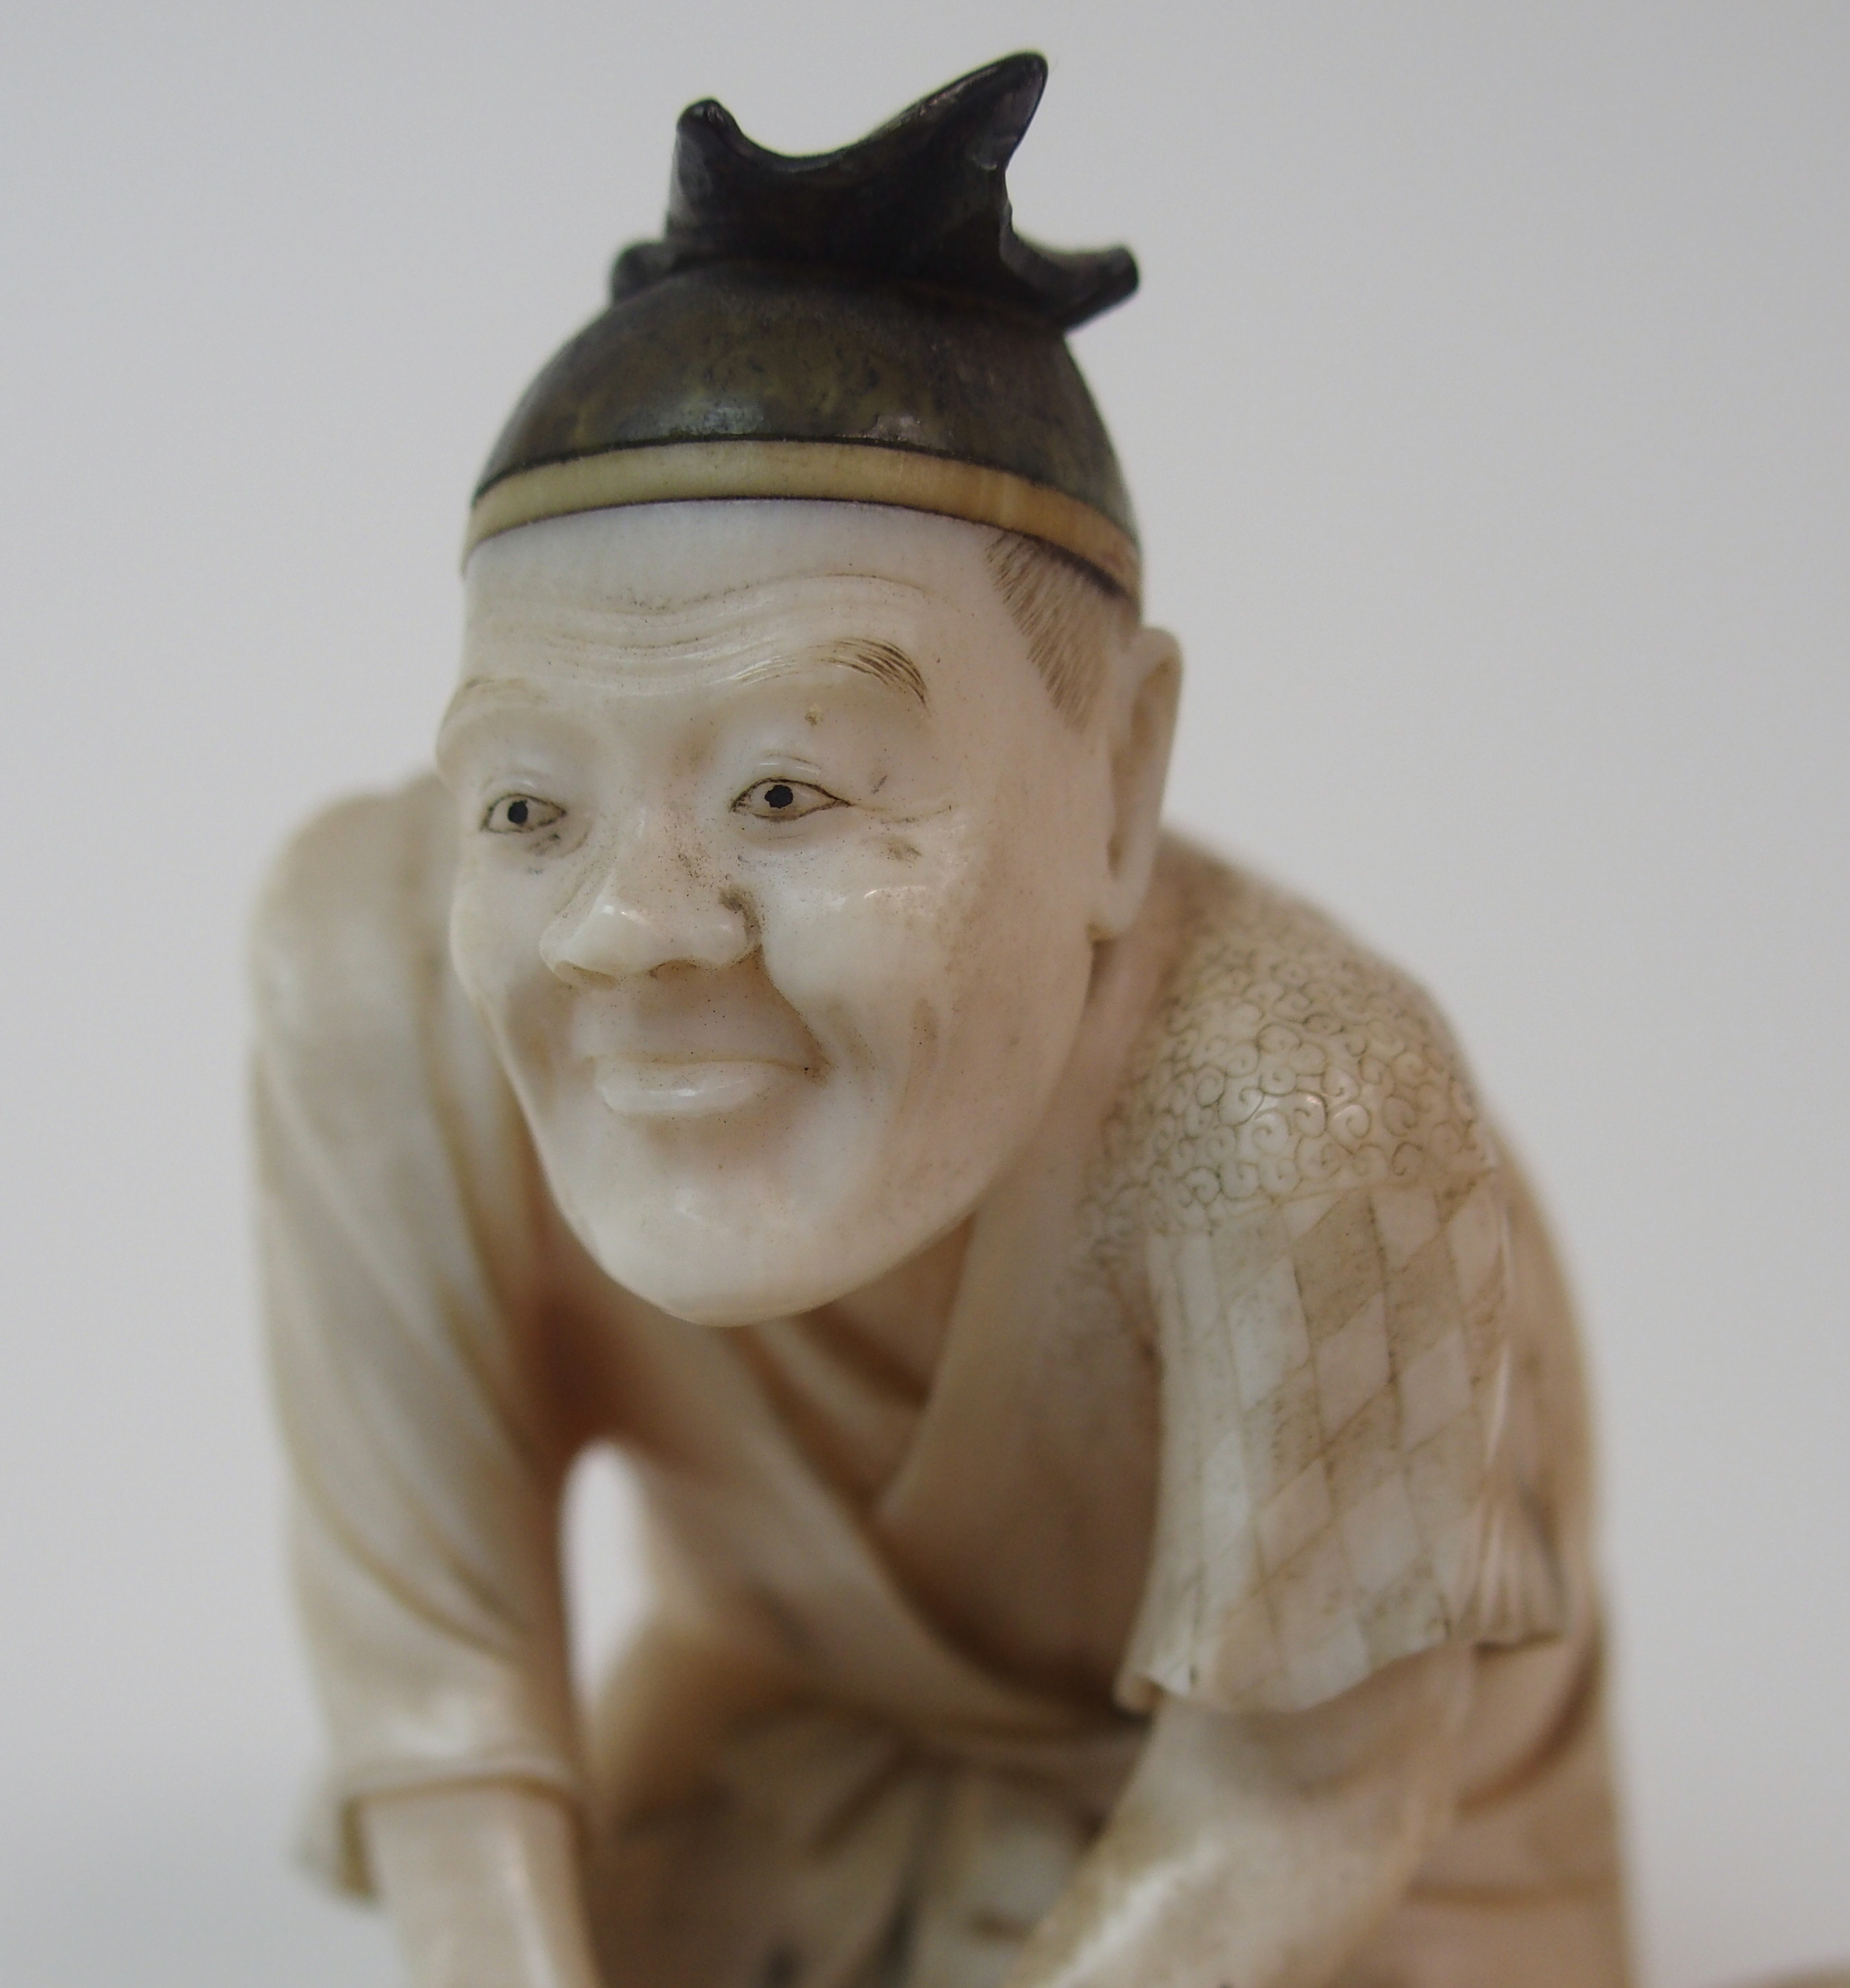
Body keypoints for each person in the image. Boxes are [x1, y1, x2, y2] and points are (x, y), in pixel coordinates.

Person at [253, 55, 1628, 1988]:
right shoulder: (372, 978)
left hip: (1315, 1885)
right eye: (529, 807)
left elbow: (1296, 1810)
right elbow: (441, 1693)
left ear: (1123, 775)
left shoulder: (1306, 1108)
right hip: (767, 1768)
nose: (632, 927)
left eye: (792, 790)